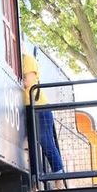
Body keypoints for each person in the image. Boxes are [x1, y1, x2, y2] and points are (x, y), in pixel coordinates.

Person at [22, 54, 64, 182]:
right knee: (35, 145)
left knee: (46, 142)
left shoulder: (27, 60)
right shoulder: (22, 60)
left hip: (39, 107)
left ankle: (59, 179)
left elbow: (28, 81)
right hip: (29, 107)